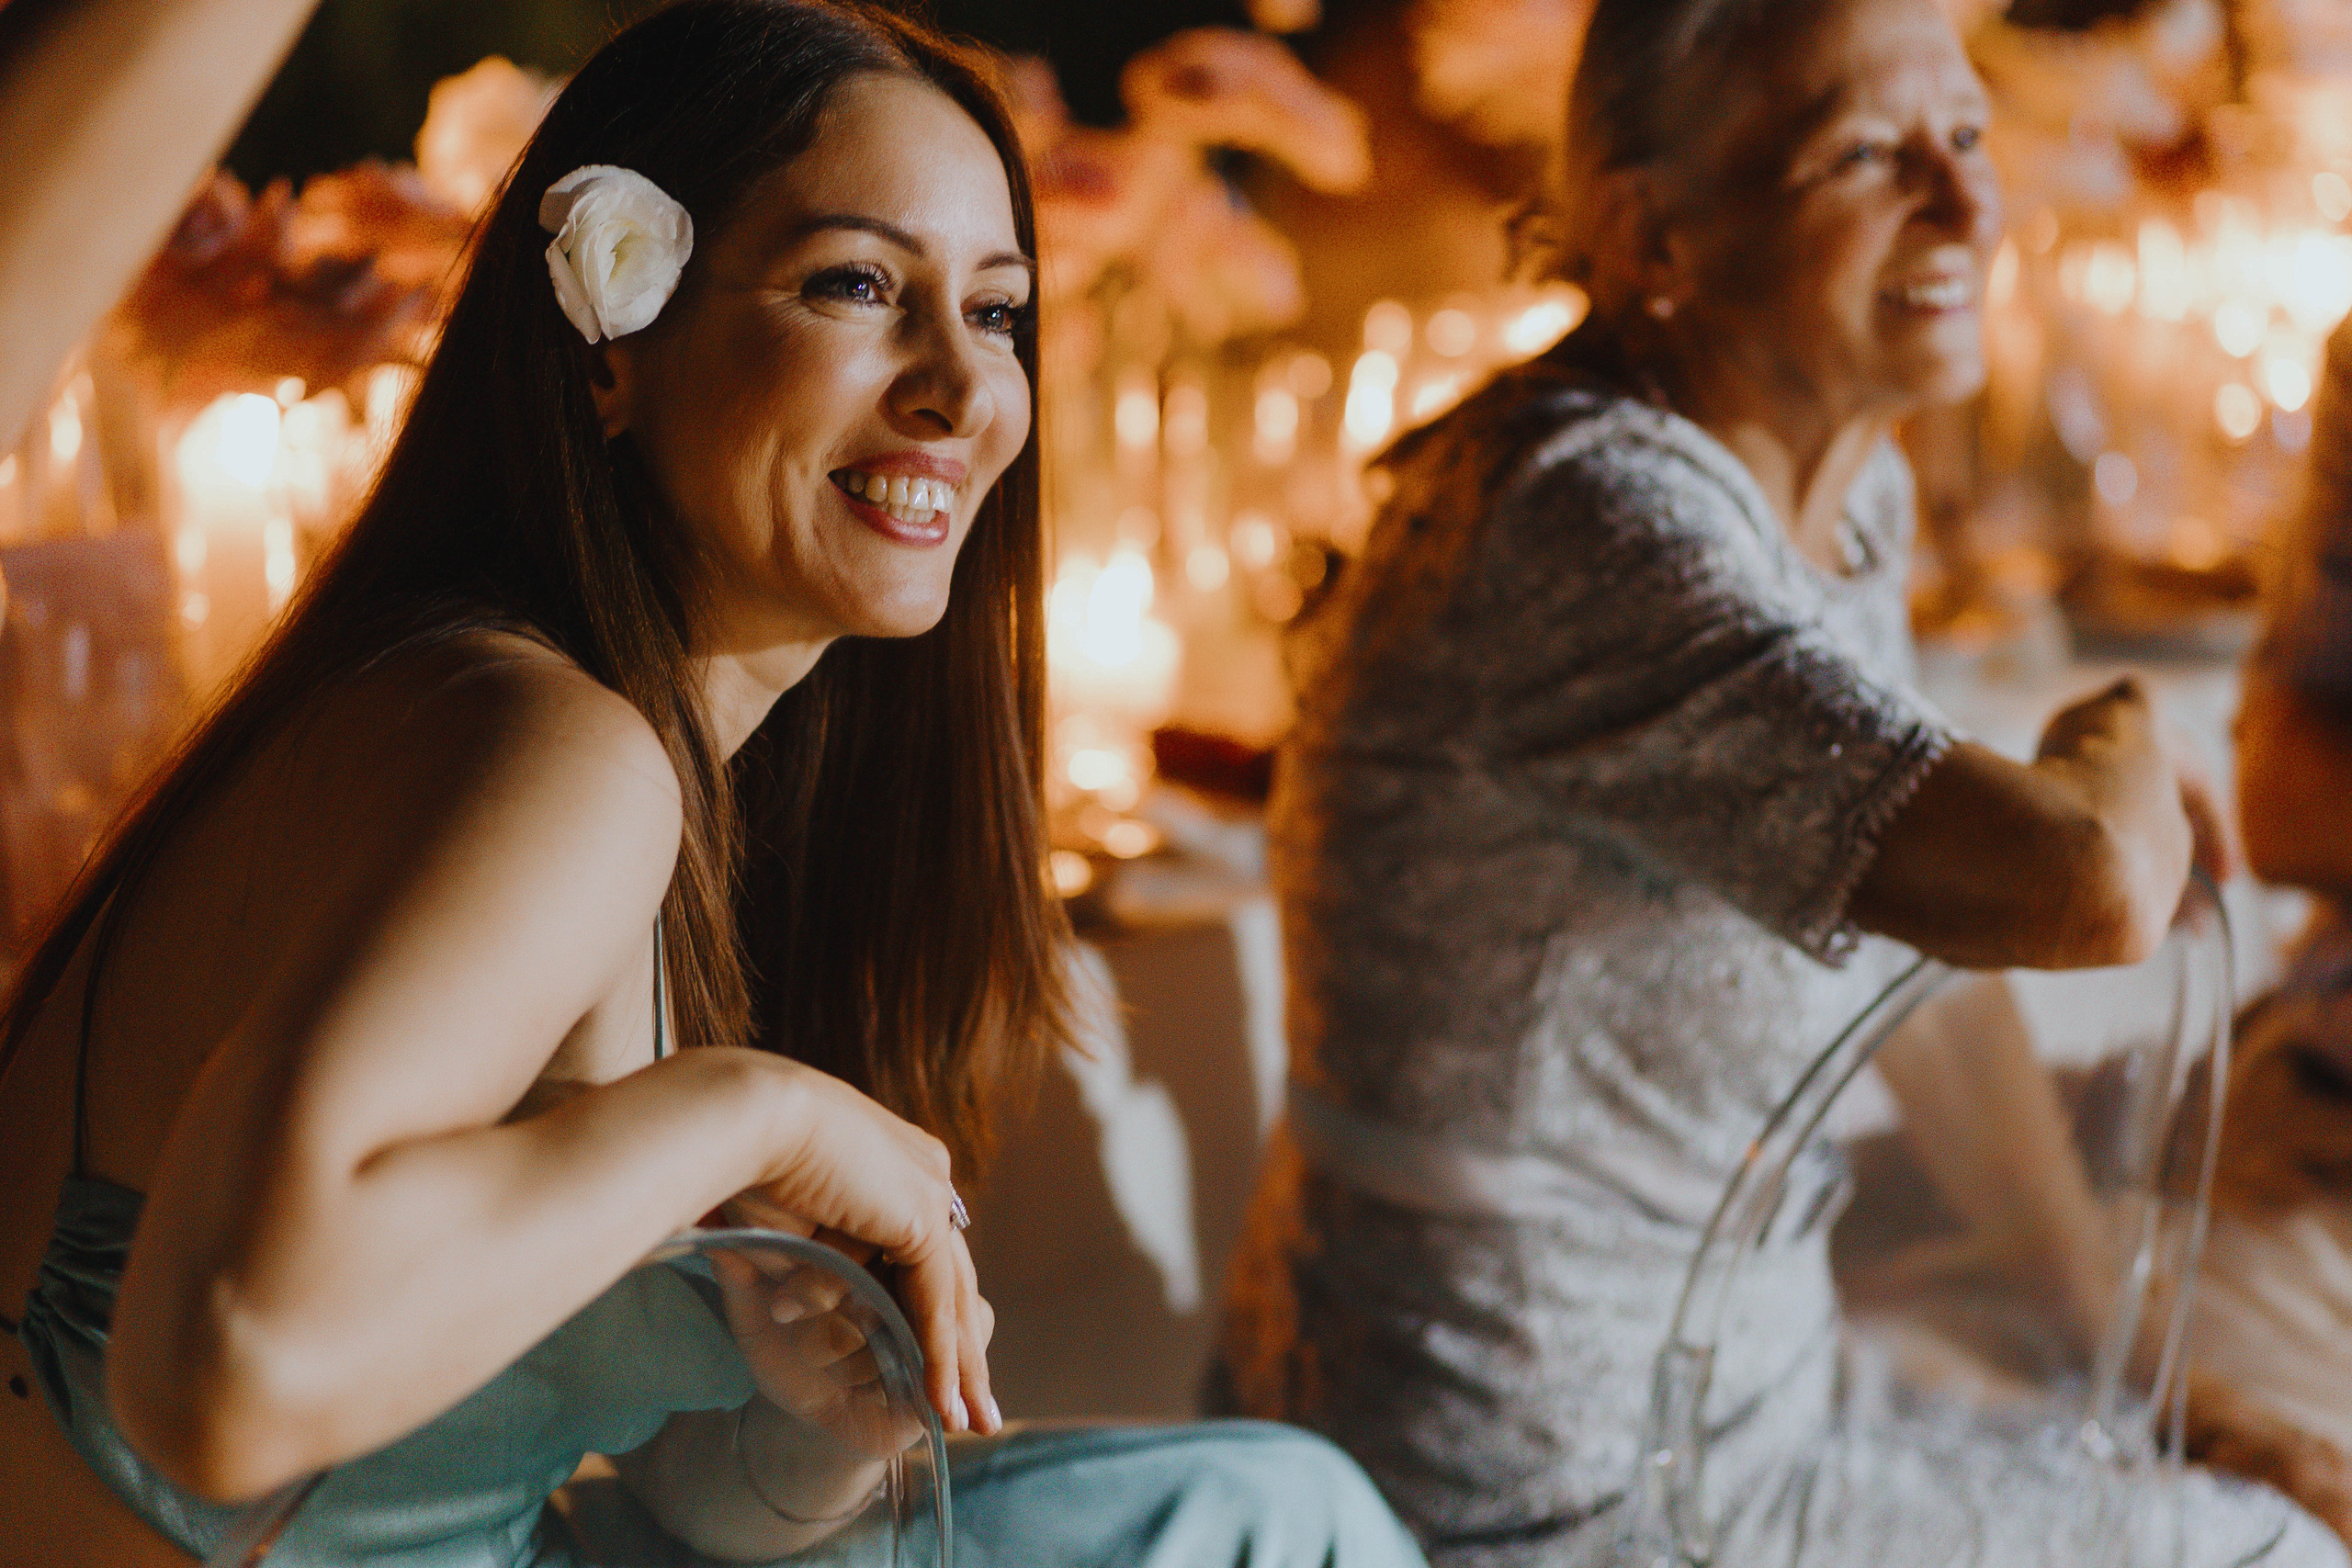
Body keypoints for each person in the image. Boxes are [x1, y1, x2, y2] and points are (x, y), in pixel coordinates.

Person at [0, 5, 1432, 1565]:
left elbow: (645, 1479)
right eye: (859, 287)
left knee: (1260, 1512)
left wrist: (827, 1417)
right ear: (609, 353)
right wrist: (744, 1112)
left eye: (1002, 311)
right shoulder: (556, 756)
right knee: (1275, 1527)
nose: (962, 387)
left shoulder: (590, 735)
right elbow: (227, 1380)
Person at [1206, 0, 2347, 1562]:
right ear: (1656, 232)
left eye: (1963, 132)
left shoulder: (1829, 489)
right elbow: (2084, 882)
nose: (1962, 201)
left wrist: (2156, 1396)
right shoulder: (1585, 521)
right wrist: (2126, 722)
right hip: (1535, 1488)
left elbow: (1927, 977)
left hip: (1746, 1402)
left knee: (2261, 1498)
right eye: (1870, 155)